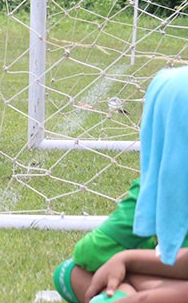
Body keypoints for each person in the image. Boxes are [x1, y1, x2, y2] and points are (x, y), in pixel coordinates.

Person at [53, 67, 188, 303]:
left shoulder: (151, 188)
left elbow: (91, 251)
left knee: (78, 276)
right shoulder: (155, 186)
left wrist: (133, 273)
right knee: (70, 272)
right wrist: (129, 262)